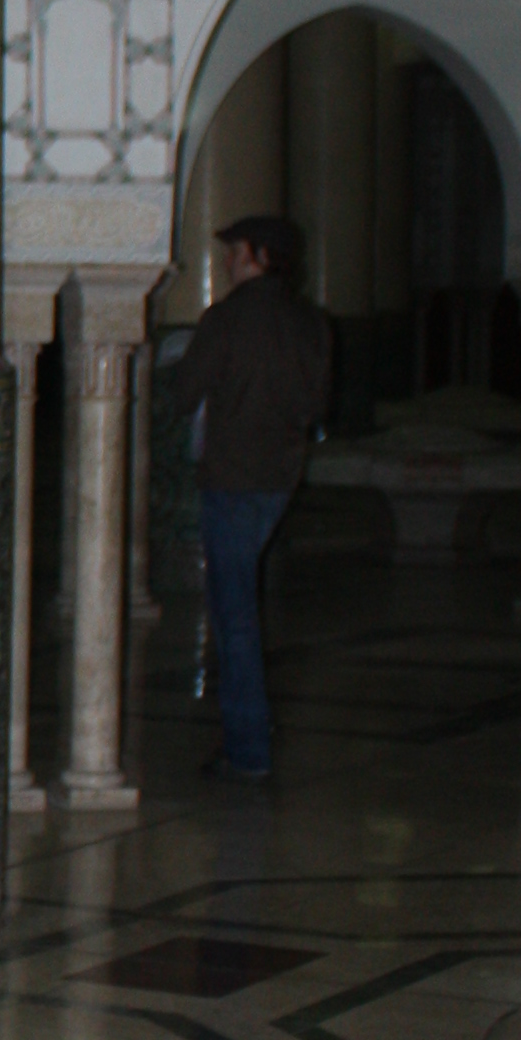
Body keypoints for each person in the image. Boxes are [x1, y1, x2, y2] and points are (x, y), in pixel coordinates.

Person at [157, 211, 333, 783]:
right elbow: (316, 404)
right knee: (240, 607)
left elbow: (186, 394)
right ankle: (249, 732)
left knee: (234, 616)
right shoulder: (311, 322)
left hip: (232, 476)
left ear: (258, 256)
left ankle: (248, 747)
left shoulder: (227, 319)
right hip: (281, 475)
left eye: (237, 252)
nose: (229, 261)